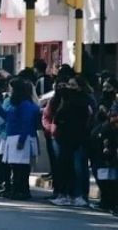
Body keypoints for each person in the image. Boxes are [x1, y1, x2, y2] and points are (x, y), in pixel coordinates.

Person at [0, 79, 41, 200]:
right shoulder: (16, 104)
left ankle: (21, 190)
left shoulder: (25, 104)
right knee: (15, 166)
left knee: (21, 167)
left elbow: (26, 123)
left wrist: (22, 140)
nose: (10, 91)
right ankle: (17, 190)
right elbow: (7, 117)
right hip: (12, 136)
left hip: (20, 137)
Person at [51, 76, 93, 207]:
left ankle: (79, 195)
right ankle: (66, 194)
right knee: (66, 167)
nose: (69, 88)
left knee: (78, 168)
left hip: (79, 139)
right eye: (68, 85)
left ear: (80, 87)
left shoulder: (85, 100)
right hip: (65, 138)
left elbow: (87, 118)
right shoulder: (66, 99)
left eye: (73, 85)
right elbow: (57, 117)